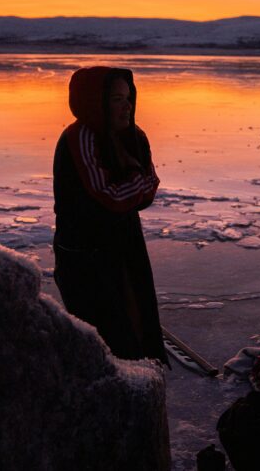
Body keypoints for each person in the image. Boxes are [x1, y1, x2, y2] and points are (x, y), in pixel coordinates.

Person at [52, 66, 168, 363]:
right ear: (95, 101)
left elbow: (149, 189)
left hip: (125, 245)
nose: (127, 106)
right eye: (117, 98)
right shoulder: (80, 138)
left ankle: (142, 370)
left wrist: (133, 183)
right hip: (85, 255)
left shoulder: (134, 136)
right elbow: (109, 196)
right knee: (102, 334)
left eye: (128, 97)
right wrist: (134, 176)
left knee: (137, 320)